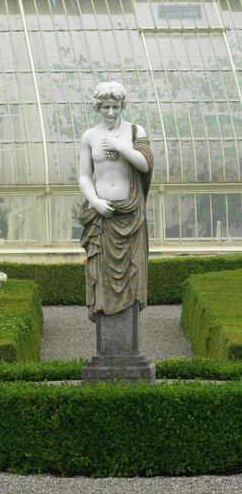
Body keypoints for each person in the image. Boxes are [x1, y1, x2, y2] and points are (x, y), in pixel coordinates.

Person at [78, 81, 154, 322]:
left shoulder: (135, 131)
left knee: (131, 275)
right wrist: (95, 202)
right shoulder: (89, 136)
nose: (111, 112)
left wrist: (121, 147)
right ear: (98, 107)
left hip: (130, 215)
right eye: (106, 107)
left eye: (116, 106)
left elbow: (145, 164)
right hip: (102, 217)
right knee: (100, 274)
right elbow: (83, 176)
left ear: (123, 106)